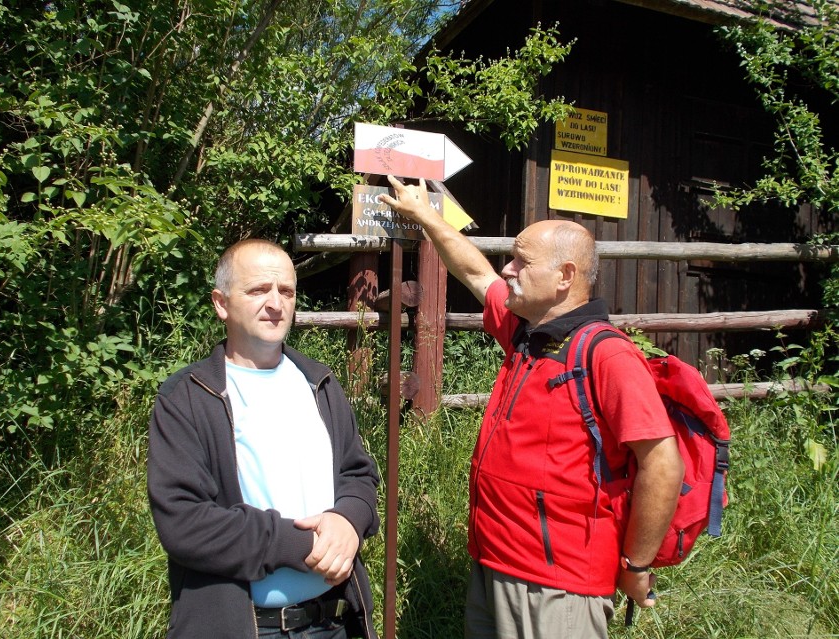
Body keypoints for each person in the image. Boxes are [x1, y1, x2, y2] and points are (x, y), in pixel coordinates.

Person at [380, 177, 685, 639]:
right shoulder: (529, 331)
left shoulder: (608, 356)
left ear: (565, 276)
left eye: (522, 261)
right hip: (494, 563)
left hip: (557, 587)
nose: (507, 269)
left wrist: (636, 564)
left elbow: (663, 462)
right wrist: (426, 216)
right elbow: (477, 274)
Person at [147, 239, 380, 639]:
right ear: (221, 303)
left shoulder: (319, 383)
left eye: (286, 291)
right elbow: (184, 522)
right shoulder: (187, 397)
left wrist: (348, 520)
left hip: (333, 623)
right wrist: (298, 544)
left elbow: (358, 474)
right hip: (241, 626)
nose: (275, 303)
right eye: (258, 290)